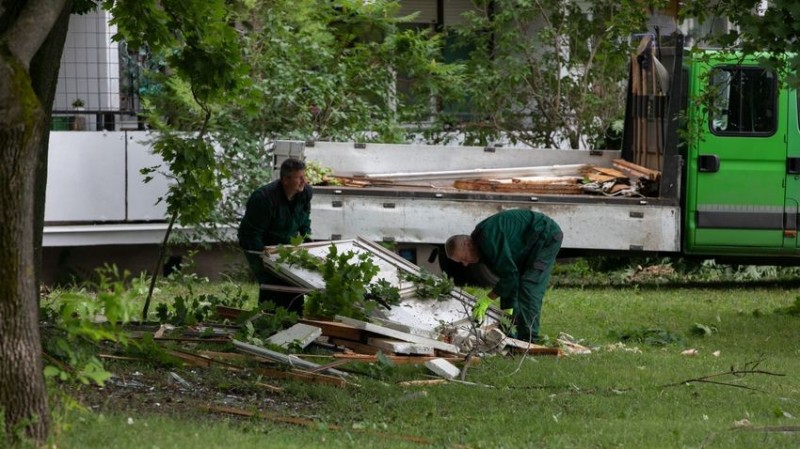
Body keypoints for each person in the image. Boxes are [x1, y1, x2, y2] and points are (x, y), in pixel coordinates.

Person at [445, 209, 562, 343]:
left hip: (545, 235)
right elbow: (509, 280)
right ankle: (513, 331)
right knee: (519, 284)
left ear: (467, 244)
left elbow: (510, 277)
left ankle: (529, 340)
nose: (465, 264)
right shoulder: (482, 249)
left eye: (463, 258)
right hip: (528, 244)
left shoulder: (488, 239)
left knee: (529, 285)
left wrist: (487, 300)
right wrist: (507, 314)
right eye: (461, 262)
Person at [238, 158, 312, 312]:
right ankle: (269, 320)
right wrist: (265, 259)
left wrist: (308, 244)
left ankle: (294, 320)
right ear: (285, 179)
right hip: (258, 245)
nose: (304, 181)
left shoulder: (305, 193)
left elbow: (304, 220)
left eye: (304, 176)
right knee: (273, 284)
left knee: (295, 281)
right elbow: (252, 235)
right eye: (299, 177)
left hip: (285, 246)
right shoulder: (263, 198)